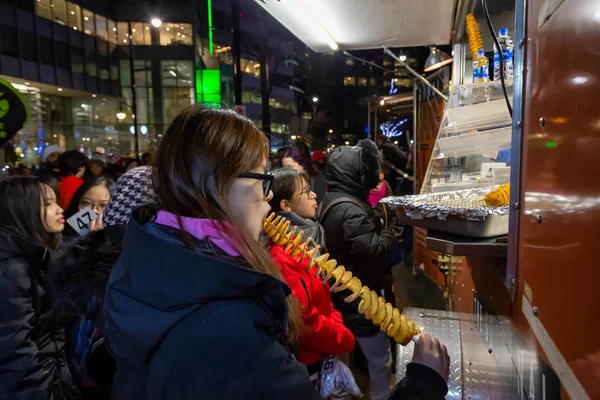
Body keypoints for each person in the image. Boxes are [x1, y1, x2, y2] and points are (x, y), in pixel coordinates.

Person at [103, 105, 320, 399]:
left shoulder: (150, 258)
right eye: (261, 177)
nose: (268, 194)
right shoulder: (230, 328)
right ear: (219, 184)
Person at [51, 167, 157, 399]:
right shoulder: (66, 251)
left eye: (103, 206)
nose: (93, 213)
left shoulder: (132, 260)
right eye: (86, 204)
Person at [318, 140, 397, 400]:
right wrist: (390, 227)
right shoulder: (349, 208)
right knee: (379, 359)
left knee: (346, 358)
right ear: (355, 173)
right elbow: (374, 251)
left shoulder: (332, 198)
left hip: (342, 297)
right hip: (360, 300)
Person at [268, 168, 353, 379]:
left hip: (325, 351)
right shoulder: (281, 255)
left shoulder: (309, 238)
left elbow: (324, 293)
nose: (313, 195)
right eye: (306, 192)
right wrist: (342, 336)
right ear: (285, 205)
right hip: (306, 365)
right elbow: (304, 319)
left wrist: (336, 324)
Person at [0, 176, 79, 399]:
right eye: (47, 204)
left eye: (55, 201)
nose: (59, 209)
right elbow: (14, 352)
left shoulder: (44, 253)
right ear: (21, 211)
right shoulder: (10, 269)